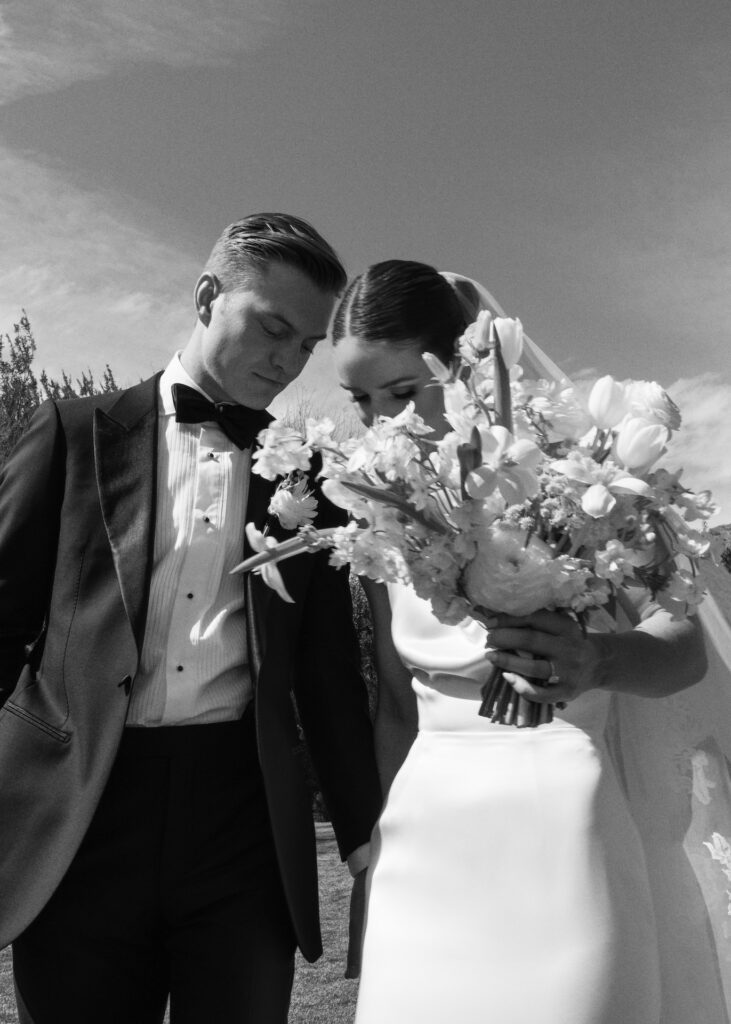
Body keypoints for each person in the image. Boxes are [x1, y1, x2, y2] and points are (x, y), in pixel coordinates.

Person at [0, 213, 381, 1024]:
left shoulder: (308, 480)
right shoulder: (72, 435)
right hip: (81, 817)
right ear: (207, 296)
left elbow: (326, 676)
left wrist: (362, 835)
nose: (287, 360)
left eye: (306, 344)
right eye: (273, 328)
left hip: (242, 826)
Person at [331, 260, 731, 1024]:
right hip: (425, 841)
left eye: (402, 393)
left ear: (461, 368)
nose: (384, 423)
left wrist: (597, 660)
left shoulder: (581, 481)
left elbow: (683, 649)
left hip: (558, 824)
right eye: (361, 401)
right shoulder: (379, 522)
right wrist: (374, 861)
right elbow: (392, 704)